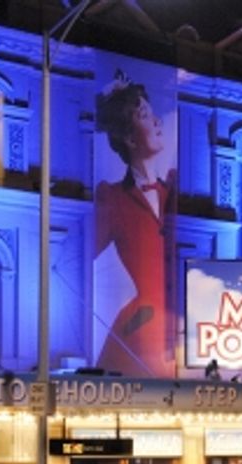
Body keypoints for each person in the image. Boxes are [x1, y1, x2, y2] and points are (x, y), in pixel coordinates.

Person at [94, 72, 176, 377]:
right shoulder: (113, 198)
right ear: (129, 137)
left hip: (182, 330)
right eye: (145, 115)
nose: (157, 121)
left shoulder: (175, 193)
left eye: (153, 113)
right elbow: (75, 257)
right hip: (140, 332)